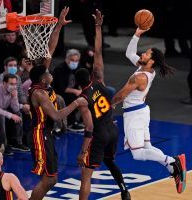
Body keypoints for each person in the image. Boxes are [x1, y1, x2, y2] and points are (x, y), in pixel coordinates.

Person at [111, 28, 186, 194]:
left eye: (146, 54)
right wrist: (137, 33)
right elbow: (129, 53)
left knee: (137, 154)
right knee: (147, 146)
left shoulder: (139, 77)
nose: (142, 54)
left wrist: (109, 105)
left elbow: (121, 95)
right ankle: (172, 166)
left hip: (135, 114)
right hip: (142, 111)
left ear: (151, 61)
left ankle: (172, 161)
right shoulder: (146, 69)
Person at [27, 7, 86, 200]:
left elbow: (50, 48)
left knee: (51, 179)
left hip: (47, 133)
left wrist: (59, 25)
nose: (50, 72)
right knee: (49, 180)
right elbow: (57, 115)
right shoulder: (40, 94)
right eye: (48, 73)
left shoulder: (41, 79)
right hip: (40, 134)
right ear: (43, 80)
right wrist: (77, 103)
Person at [75, 10, 131, 200]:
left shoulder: (83, 98)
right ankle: (124, 190)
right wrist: (98, 27)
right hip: (113, 130)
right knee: (110, 160)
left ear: (78, 83)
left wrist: (83, 151)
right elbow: (98, 53)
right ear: (90, 76)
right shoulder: (100, 81)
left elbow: (89, 127)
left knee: (86, 176)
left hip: (99, 134)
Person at [0, 74, 30, 155]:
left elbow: (15, 108)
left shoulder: (13, 91)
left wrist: (15, 97)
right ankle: (3, 145)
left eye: (15, 84)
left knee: (18, 113)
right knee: (0, 117)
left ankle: (16, 142)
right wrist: (10, 115)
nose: (14, 86)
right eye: (11, 84)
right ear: (4, 83)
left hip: (3, 111)